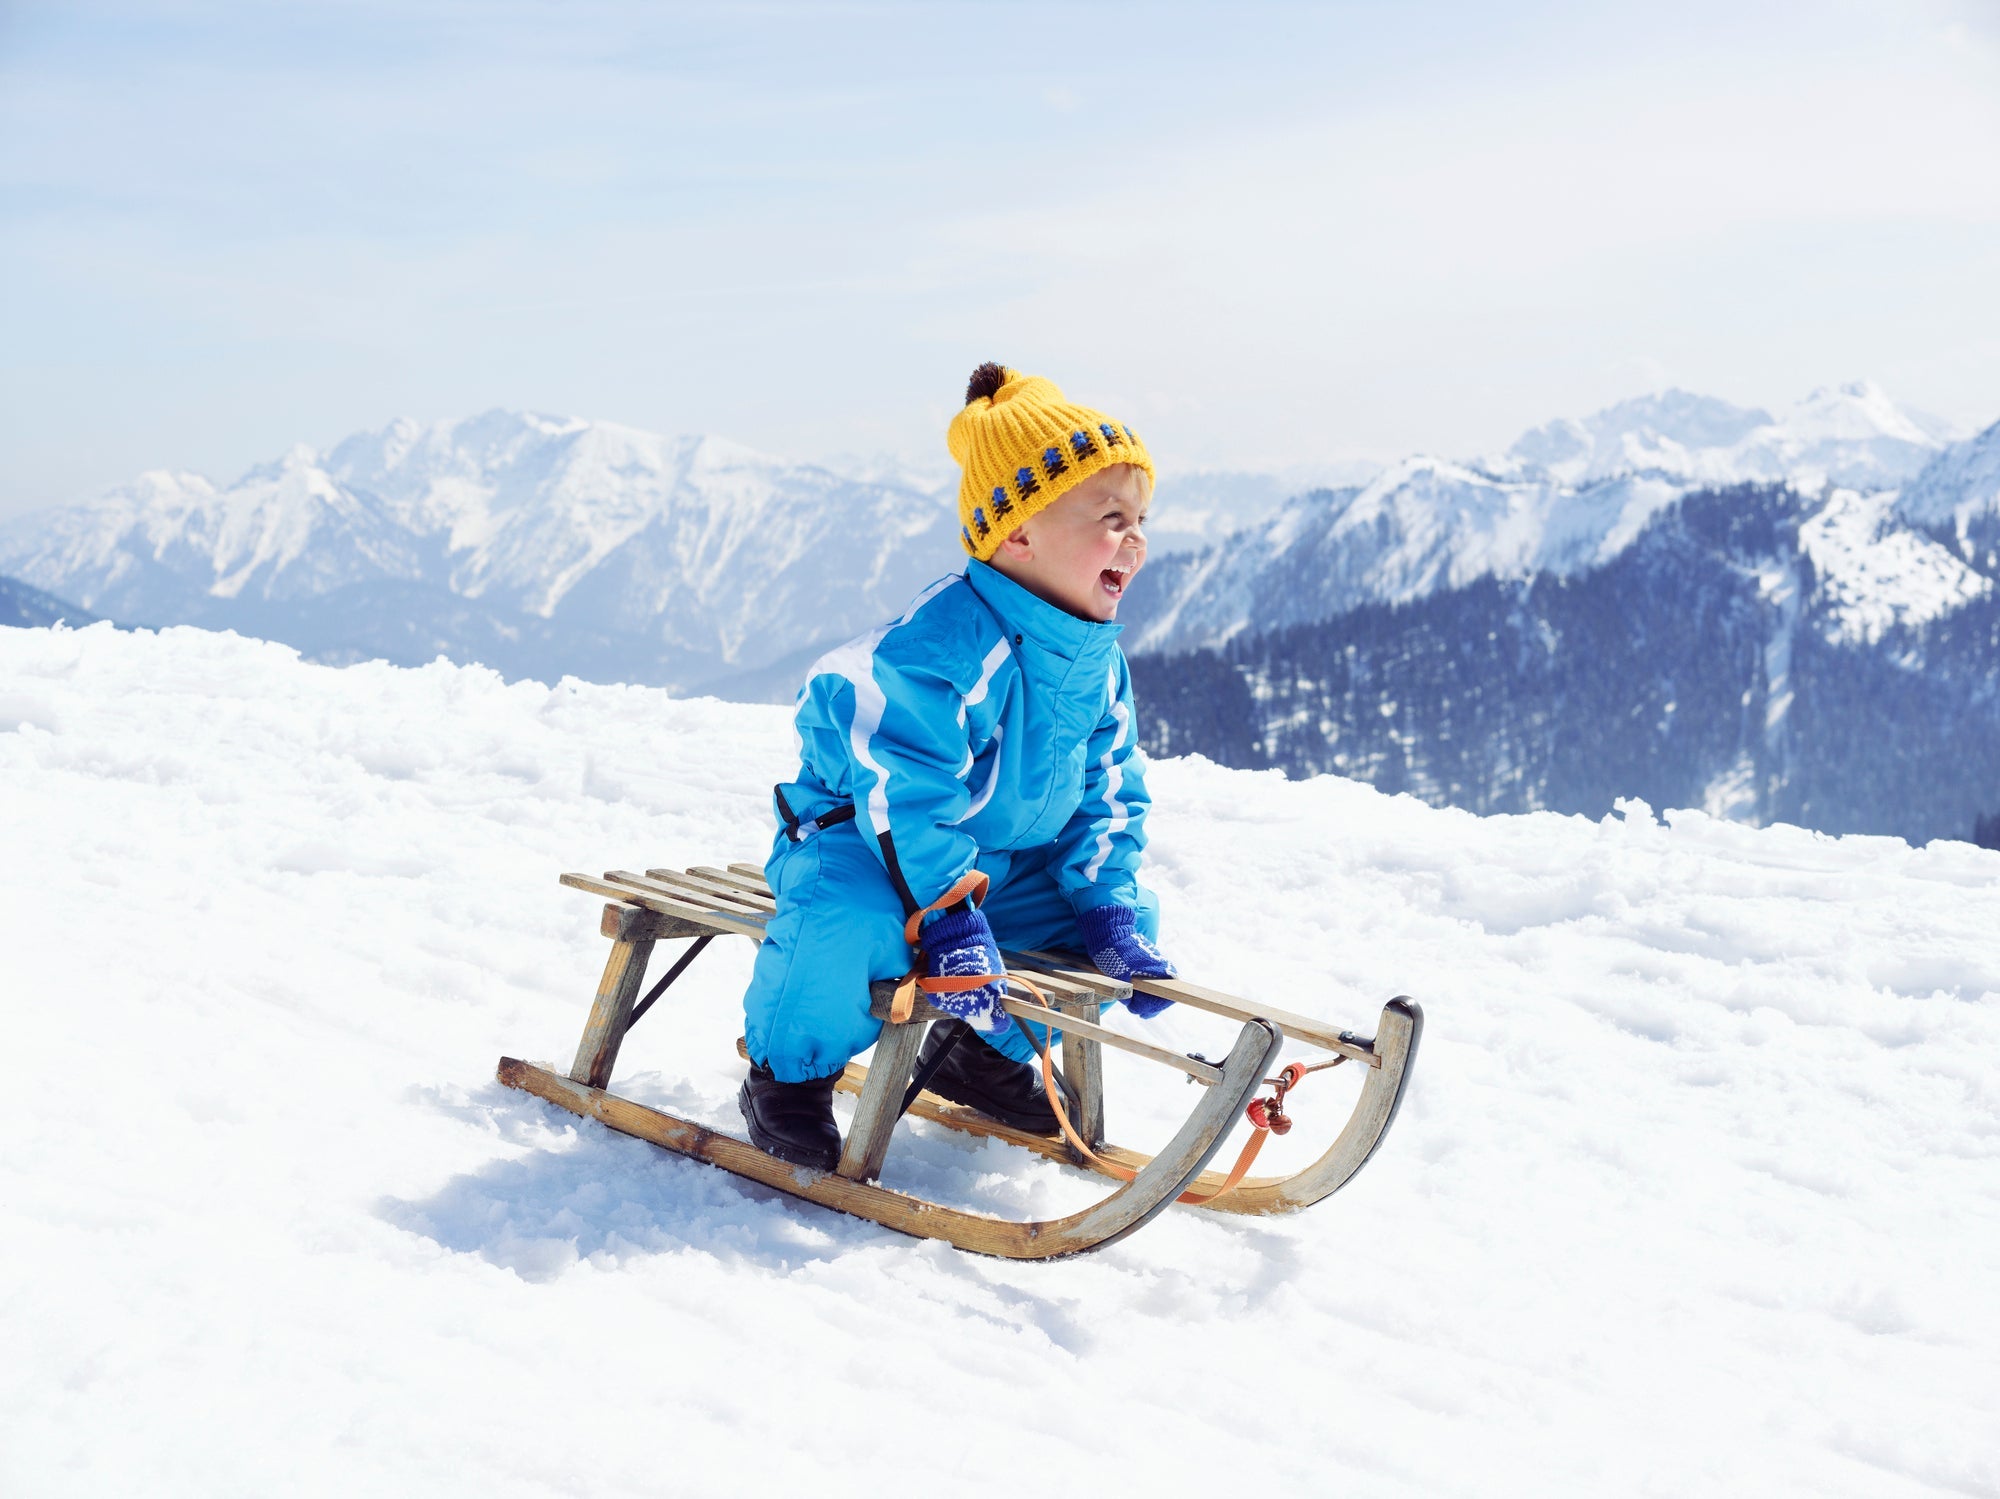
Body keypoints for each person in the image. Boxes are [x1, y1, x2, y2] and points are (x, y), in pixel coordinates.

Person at [737, 362, 1178, 1170]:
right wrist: (945, 915)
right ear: (1019, 533)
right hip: (866, 846)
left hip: (993, 870)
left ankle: (990, 1055)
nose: (1137, 537)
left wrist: (1106, 907)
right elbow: (905, 792)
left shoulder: (1095, 664)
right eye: (1111, 516)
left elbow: (1110, 798)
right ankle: (788, 1077)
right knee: (844, 923)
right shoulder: (946, 645)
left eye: (1141, 516)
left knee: (1108, 923)